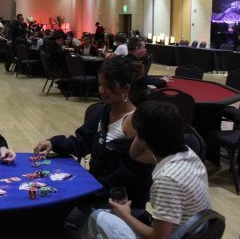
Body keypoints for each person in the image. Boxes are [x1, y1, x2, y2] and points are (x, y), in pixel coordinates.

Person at [34, 56, 152, 237]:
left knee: (60, 216)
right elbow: (81, 142)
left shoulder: (134, 124)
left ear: (126, 89)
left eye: (108, 86)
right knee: (54, 208)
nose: (102, 91)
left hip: (121, 203)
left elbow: (128, 178)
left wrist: (85, 188)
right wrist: (54, 142)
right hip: (96, 190)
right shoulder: (103, 111)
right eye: (100, 84)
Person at [80, 101, 211, 239]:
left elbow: (158, 237)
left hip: (172, 235)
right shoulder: (188, 153)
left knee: (97, 217)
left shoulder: (167, 180)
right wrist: (142, 136)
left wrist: (125, 214)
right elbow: (134, 154)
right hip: (195, 231)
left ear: (144, 138)